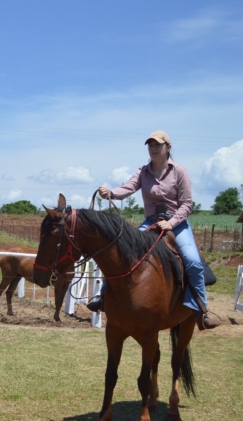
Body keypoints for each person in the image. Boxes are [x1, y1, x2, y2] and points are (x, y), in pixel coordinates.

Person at [87, 130, 219, 330]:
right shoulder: (143, 172)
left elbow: (186, 204)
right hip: (150, 222)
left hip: (177, 224)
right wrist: (110, 193)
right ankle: (104, 298)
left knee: (192, 260)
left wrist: (171, 223)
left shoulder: (180, 172)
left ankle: (200, 310)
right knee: (121, 253)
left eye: (158, 145)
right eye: (150, 145)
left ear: (168, 147)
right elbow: (128, 188)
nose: (153, 148)